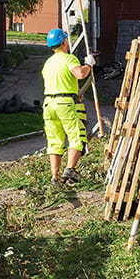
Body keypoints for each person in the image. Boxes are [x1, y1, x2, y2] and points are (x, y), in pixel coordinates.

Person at [42, 28, 96, 183]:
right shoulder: (68, 58)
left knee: (54, 141)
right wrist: (88, 64)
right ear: (64, 42)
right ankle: (70, 170)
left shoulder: (48, 63)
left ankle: (55, 176)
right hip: (65, 103)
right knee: (76, 136)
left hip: (48, 104)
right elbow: (80, 74)